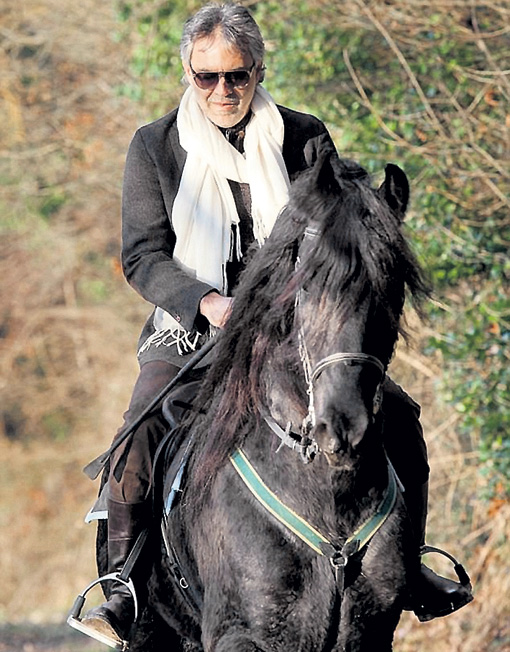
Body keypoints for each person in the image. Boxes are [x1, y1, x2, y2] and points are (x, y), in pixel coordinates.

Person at [75, 3, 472, 648]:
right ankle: (121, 584)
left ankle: (412, 566)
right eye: (207, 77)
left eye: (237, 75)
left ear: (258, 70)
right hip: (191, 331)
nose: (223, 90)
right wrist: (208, 303)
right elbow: (143, 255)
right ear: (188, 73)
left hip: (293, 333)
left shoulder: (306, 137)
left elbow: (341, 234)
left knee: (399, 414)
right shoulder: (154, 146)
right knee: (138, 435)